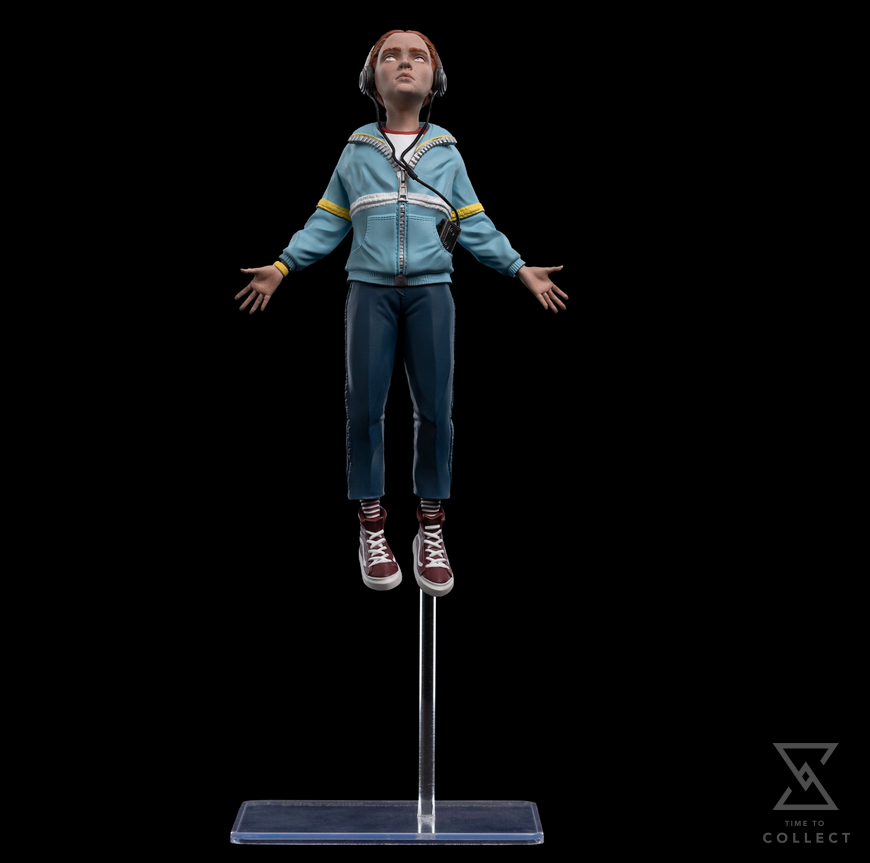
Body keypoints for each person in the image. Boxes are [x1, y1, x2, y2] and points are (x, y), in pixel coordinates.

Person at [235, 30, 567, 598]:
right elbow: (328, 220)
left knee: (436, 408)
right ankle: (371, 524)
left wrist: (517, 267)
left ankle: (431, 526)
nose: (405, 63)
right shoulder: (356, 150)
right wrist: (284, 265)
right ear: (373, 80)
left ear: (436, 80)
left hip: (432, 293)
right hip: (369, 293)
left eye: (419, 56)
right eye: (391, 56)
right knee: (364, 406)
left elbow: (474, 222)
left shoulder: (448, 153)